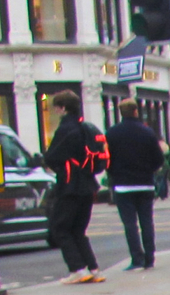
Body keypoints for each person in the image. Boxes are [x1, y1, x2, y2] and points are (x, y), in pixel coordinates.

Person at [40, 91, 106, 283]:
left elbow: (52, 156)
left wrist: (56, 165)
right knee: (78, 229)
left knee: (59, 227)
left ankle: (78, 269)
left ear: (62, 108)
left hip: (70, 185)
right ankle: (93, 268)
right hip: (88, 184)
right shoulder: (87, 127)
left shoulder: (65, 129)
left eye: (56, 108)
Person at [107, 99, 163, 270]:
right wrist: (149, 170)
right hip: (145, 183)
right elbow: (159, 159)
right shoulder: (147, 132)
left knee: (130, 224)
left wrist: (114, 174)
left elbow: (107, 159)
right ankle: (150, 257)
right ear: (136, 111)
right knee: (147, 222)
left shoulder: (112, 133)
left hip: (123, 184)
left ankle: (136, 258)